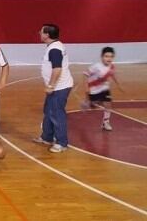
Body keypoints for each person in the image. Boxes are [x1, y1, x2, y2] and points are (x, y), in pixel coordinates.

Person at [33, 24, 74, 153]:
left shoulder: (54, 49)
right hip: (57, 87)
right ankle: (47, 137)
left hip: (59, 88)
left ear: (47, 35)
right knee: (48, 111)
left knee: (56, 114)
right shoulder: (54, 46)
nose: (39, 32)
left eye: (41, 31)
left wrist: (51, 85)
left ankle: (62, 143)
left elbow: (57, 69)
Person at [83, 47, 122, 131]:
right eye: (106, 56)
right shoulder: (96, 66)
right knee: (94, 105)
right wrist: (86, 88)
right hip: (94, 90)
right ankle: (88, 103)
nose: (109, 58)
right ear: (102, 57)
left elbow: (112, 74)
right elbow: (86, 75)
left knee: (108, 104)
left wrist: (119, 85)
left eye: (111, 56)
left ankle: (106, 122)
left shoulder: (112, 67)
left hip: (105, 89)